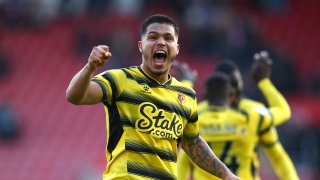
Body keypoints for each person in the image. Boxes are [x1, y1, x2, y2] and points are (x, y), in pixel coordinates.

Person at [66, 14, 239, 180]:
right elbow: (74, 96)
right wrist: (90, 67)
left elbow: (191, 142)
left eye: (168, 38)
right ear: (141, 46)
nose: (161, 42)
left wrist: (226, 175)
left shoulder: (186, 95)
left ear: (176, 49)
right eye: (153, 37)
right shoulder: (121, 79)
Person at [175, 51, 299, 180]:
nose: (235, 89)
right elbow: (283, 113)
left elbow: (183, 161)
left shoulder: (196, 114)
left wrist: (187, 84)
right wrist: (264, 82)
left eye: (235, 83)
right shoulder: (254, 114)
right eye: (231, 84)